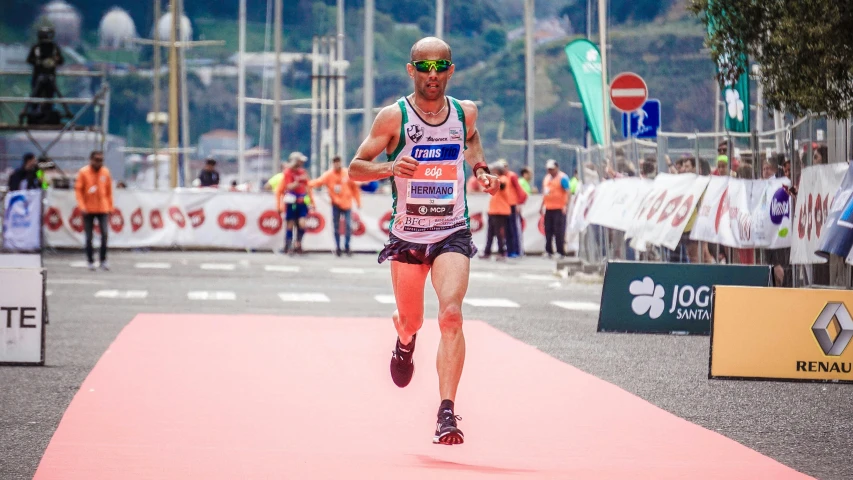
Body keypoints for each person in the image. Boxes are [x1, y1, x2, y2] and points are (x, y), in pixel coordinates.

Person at [348, 37, 500, 446]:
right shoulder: (392, 117)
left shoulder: (465, 113)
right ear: (411, 70)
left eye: (441, 66)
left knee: (451, 315)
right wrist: (389, 167)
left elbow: (471, 142)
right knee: (413, 318)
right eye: (424, 66)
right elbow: (355, 168)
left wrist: (482, 170)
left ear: (451, 70)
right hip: (408, 236)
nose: (432, 74)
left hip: (451, 230)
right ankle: (404, 340)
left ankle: (446, 412)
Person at [310, 155, 362, 256]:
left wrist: (358, 202)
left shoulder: (347, 173)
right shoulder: (328, 175)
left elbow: (355, 188)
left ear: (341, 162)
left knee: (348, 225)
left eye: (338, 162)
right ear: (332, 164)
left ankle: (347, 246)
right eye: (335, 162)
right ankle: (338, 247)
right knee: (336, 227)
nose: (337, 164)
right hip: (336, 205)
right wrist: (308, 184)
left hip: (347, 204)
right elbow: (318, 182)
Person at [74, 151, 114, 271]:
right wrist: (82, 206)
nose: (99, 162)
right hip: (88, 209)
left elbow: (109, 191)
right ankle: (90, 260)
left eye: (101, 160)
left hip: (103, 208)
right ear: (91, 160)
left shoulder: (105, 172)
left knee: (105, 234)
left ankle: (103, 260)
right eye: (96, 160)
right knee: (89, 236)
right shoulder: (84, 172)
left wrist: (110, 207)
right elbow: (78, 191)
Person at [276, 152, 314, 254]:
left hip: (302, 202)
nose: (301, 163)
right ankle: (287, 245)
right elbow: (288, 186)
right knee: (290, 224)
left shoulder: (303, 172)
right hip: (291, 202)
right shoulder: (288, 172)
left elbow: (308, 187)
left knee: (302, 224)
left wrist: (311, 201)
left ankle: (298, 243)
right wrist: (297, 182)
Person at [540, 159, 570, 258]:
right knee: (548, 230)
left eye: (552, 169)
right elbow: (545, 193)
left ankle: (560, 251)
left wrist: (566, 205)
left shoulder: (563, 177)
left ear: (557, 168)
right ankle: (549, 250)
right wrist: (542, 206)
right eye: (548, 169)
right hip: (549, 208)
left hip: (559, 208)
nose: (550, 171)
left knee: (559, 231)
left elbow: (568, 192)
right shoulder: (546, 178)